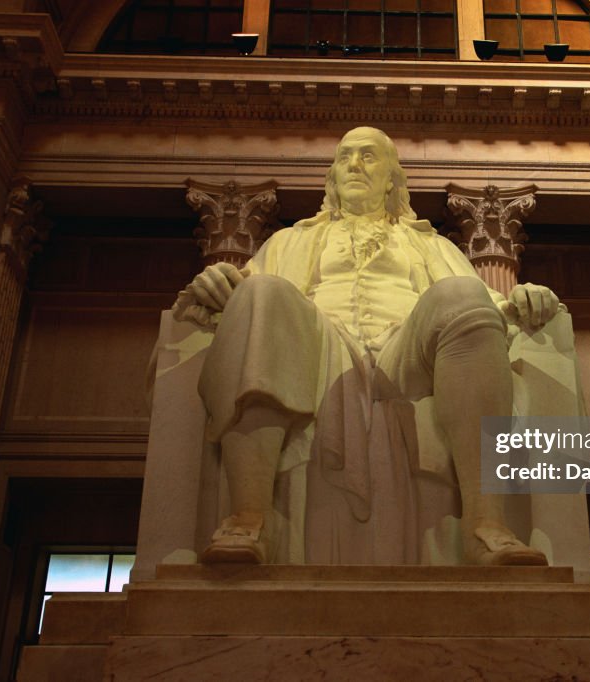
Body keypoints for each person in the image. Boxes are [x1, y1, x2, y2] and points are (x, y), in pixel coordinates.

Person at [173, 127, 559, 566]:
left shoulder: (429, 243)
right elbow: (240, 300)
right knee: (262, 292)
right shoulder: (288, 241)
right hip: (319, 348)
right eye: (345, 158)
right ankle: (249, 517)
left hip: (406, 353)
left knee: (462, 297)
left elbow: (488, 305)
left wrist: (524, 301)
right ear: (332, 179)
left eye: (369, 157)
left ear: (392, 180)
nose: (354, 165)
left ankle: (486, 524)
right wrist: (214, 285)